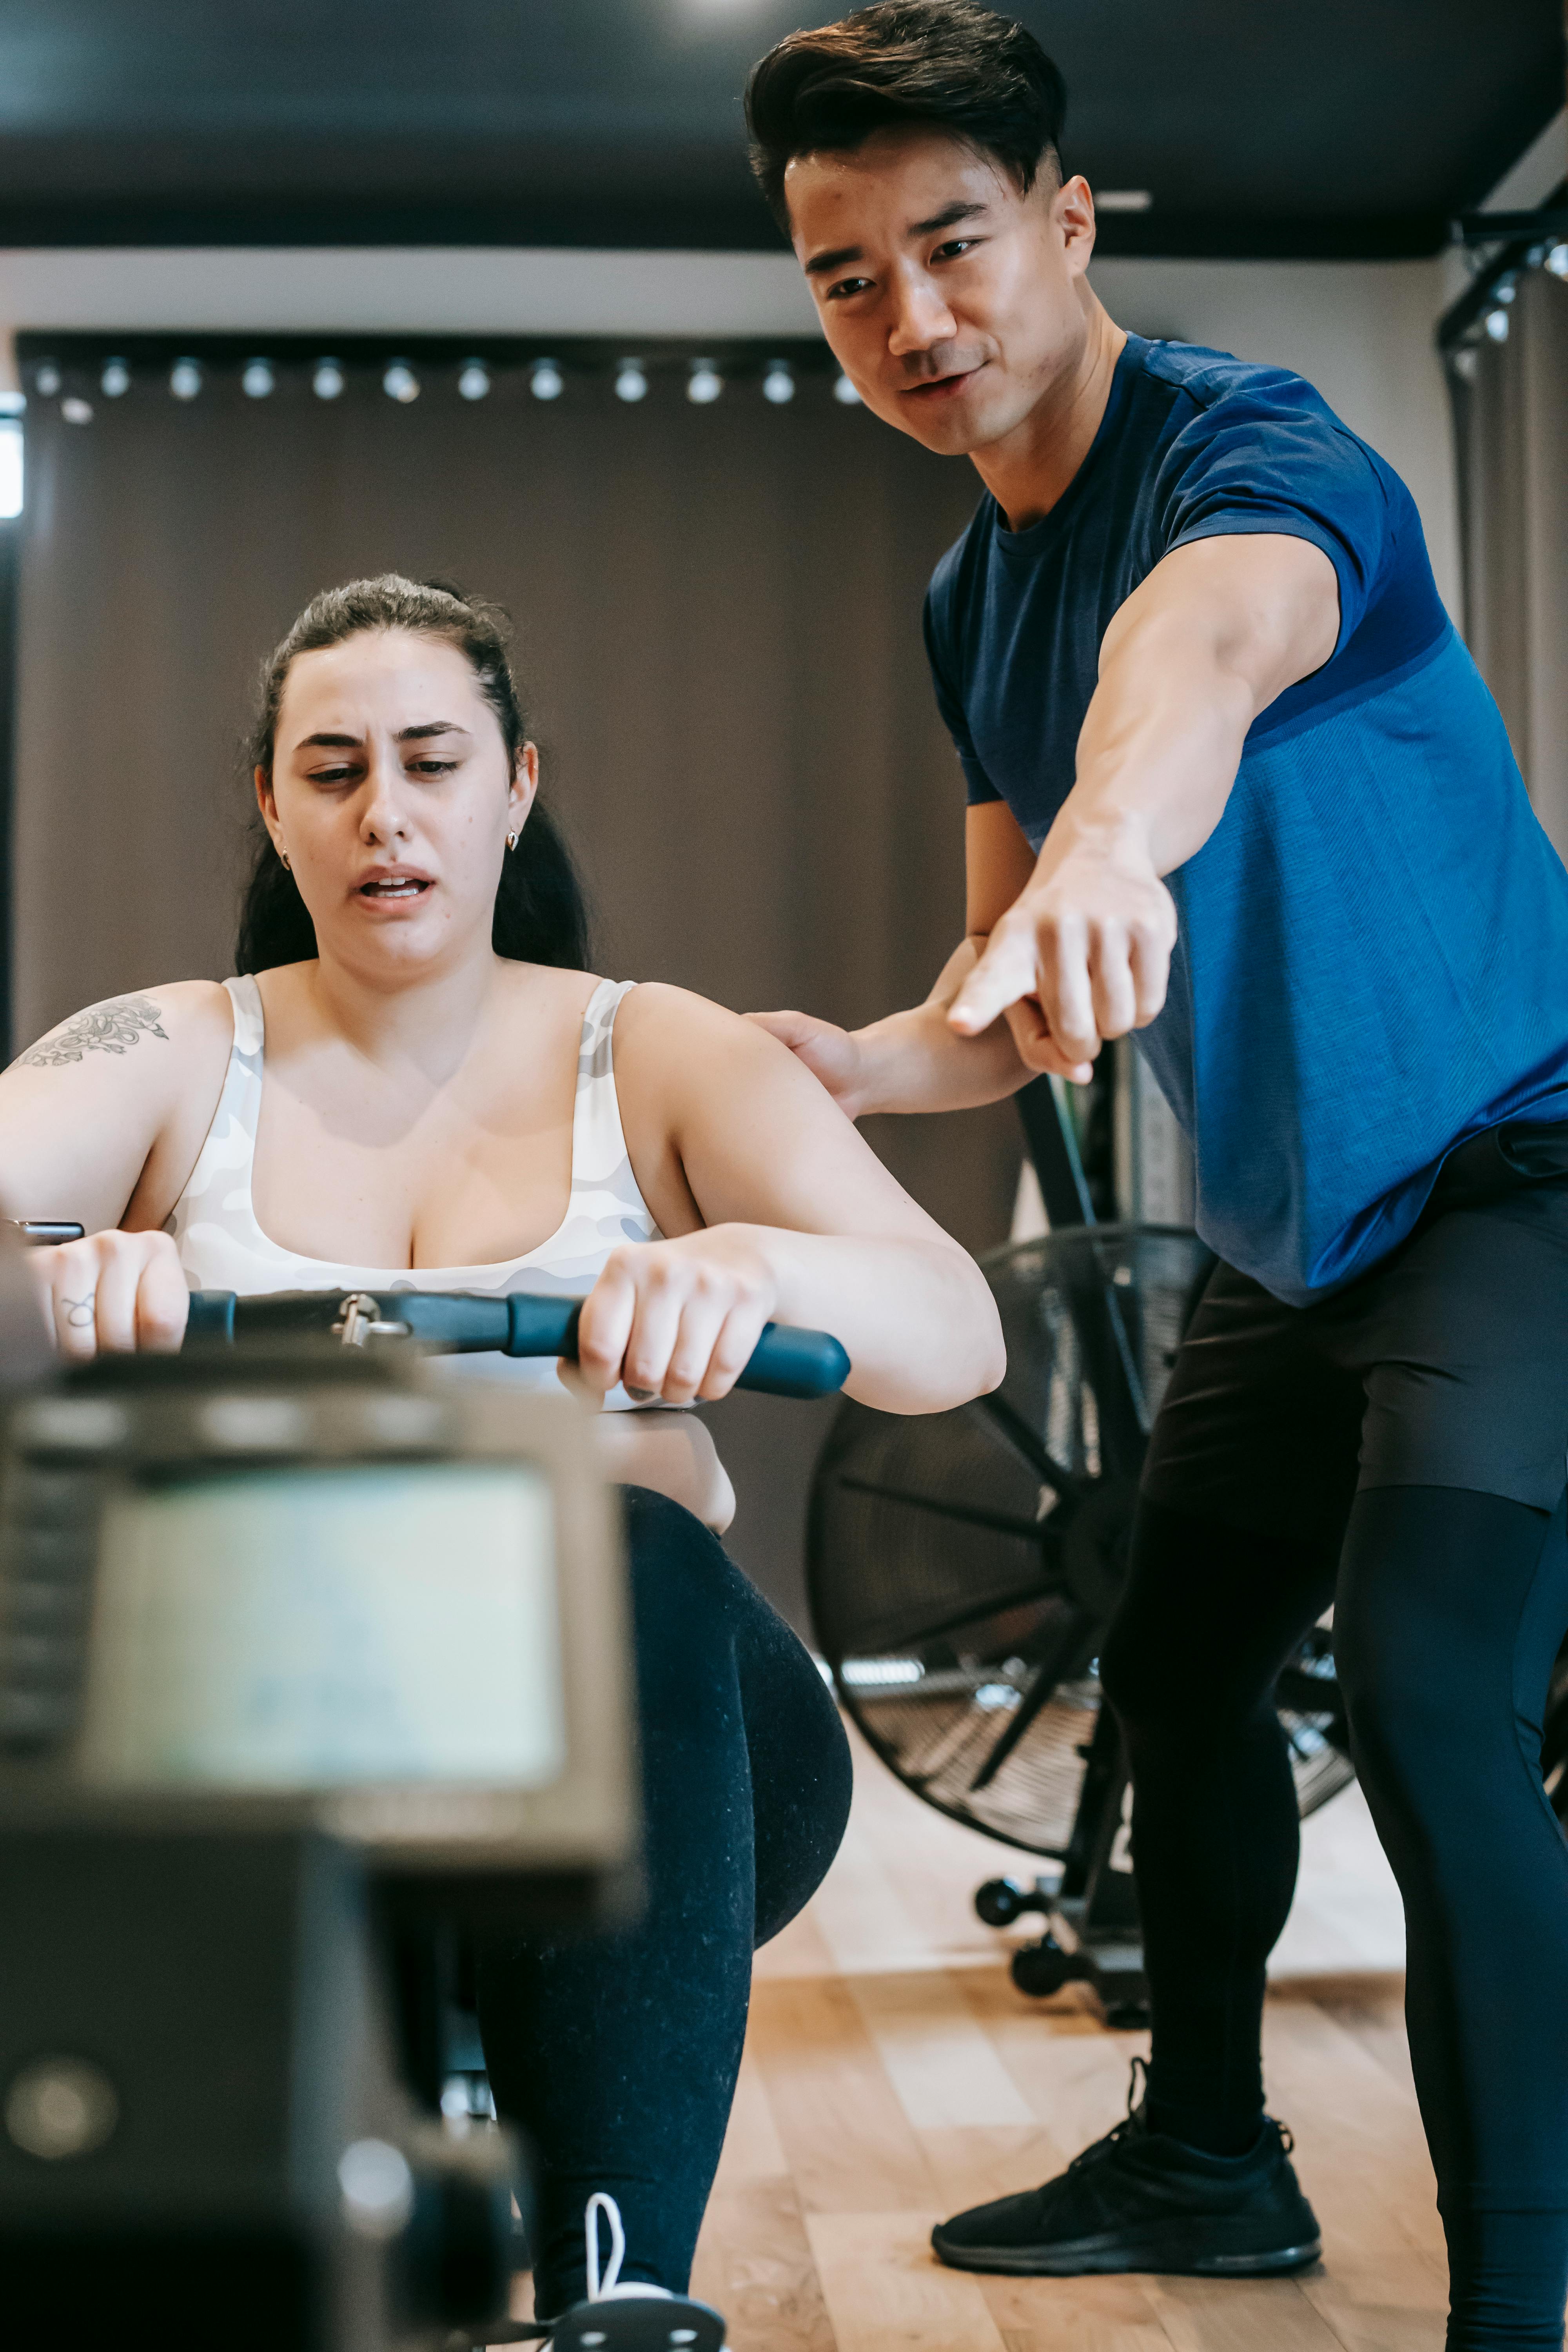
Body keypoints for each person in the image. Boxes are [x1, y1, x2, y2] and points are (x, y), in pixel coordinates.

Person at [742, 7, 1568, 2347]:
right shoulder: (959, 599)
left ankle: (1520, 2297)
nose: (914, 319)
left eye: (957, 244)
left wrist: (1117, 836)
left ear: (1072, 221)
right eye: (847, 278)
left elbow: (1193, 671)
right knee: (1179, 1670)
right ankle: (1213, 2152)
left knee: (1421, 1694)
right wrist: (848, 1064)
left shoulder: (1265, 457)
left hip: (1529, 1173)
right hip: (1304, 1246)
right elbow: (1011, 992)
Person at [0, 572, 1005, 2319]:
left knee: (607, 1548)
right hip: (268, 1741)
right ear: (272, 804)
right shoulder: (166, 1048)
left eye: (431, 760)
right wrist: (58, 1273)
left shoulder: (662, 1049)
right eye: (331, 769)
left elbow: (954, 1335)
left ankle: (618, 2298)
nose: (384, 812)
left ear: (514, 784)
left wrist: (755, 1260)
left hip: (660, 1766)